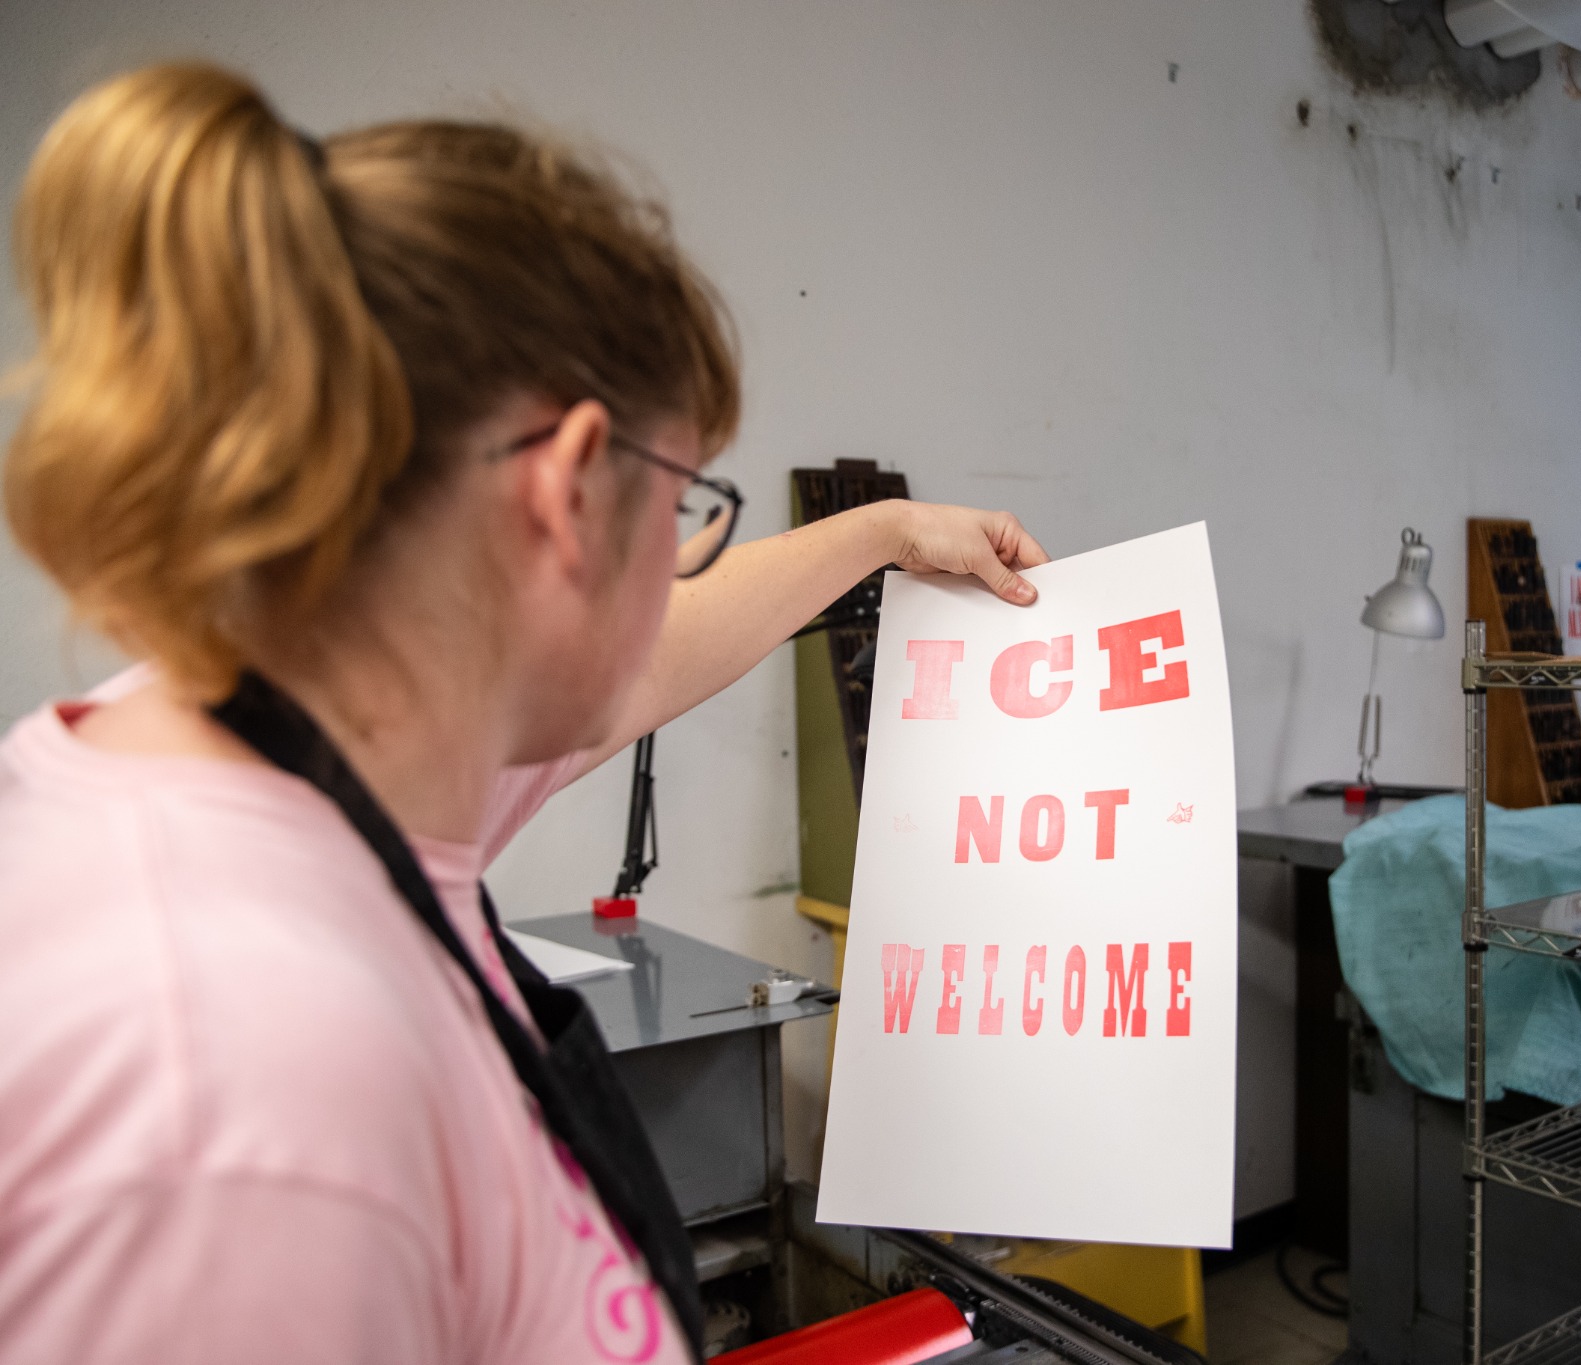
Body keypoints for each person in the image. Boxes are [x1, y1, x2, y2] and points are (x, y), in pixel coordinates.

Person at [0, 63, 1047, 1365]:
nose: (679, 569)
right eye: (682, 508)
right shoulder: (241, 1101)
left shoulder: (312, 749)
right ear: (562, 494)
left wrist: (884, 533)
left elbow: (648, 653)